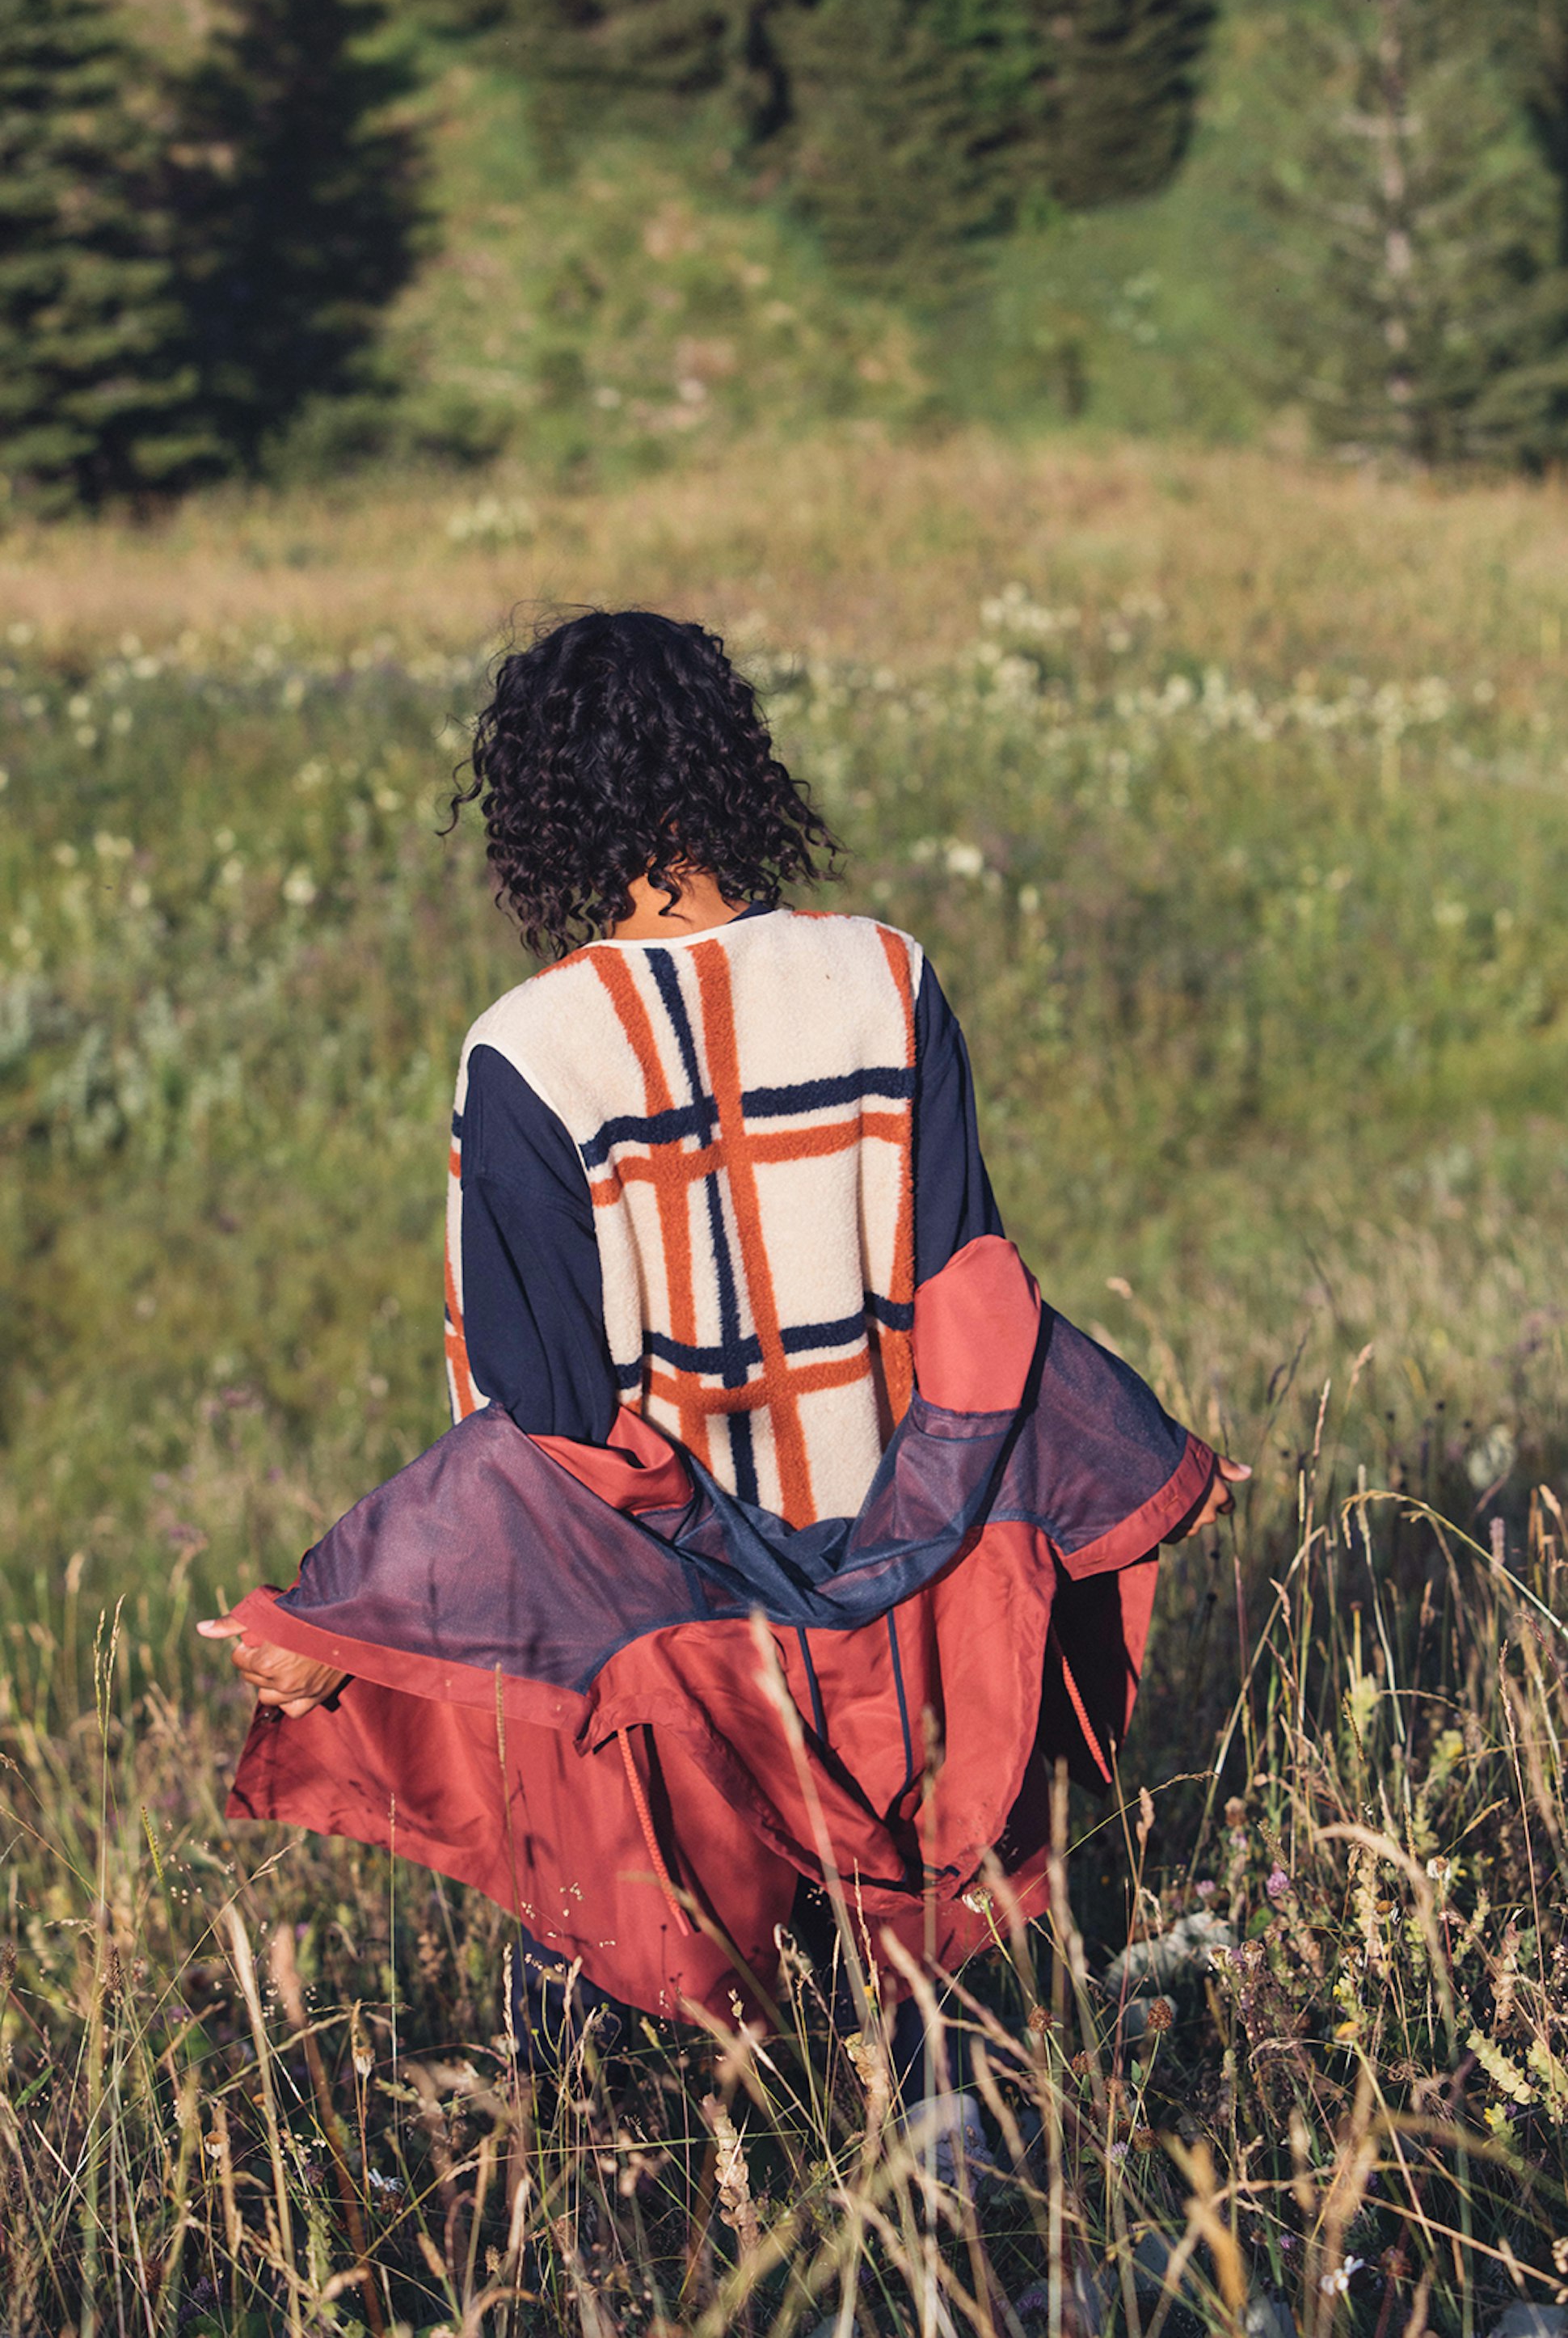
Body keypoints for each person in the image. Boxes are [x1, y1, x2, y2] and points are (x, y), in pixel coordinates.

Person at [200, 609, 1246, 2095]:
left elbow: (547, 1419)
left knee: (613, 1975)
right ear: (729, 768)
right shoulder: (888, 975)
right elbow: (973, 1285)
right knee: (942, 1979)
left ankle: (647, 2210)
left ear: (545, 806)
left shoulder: (533, 1048)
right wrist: (1144, 1458)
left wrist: (338, 1612)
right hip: (905, 1566)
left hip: (673, 1604)